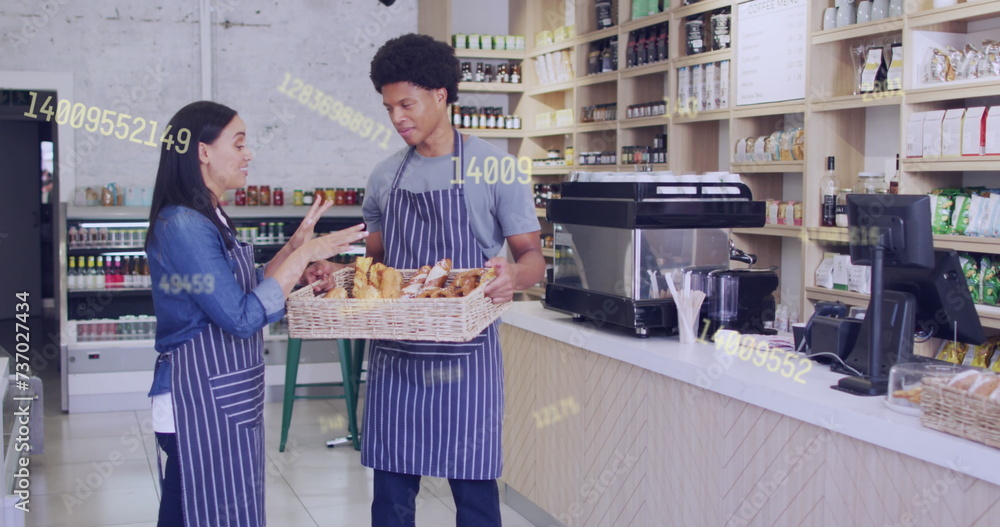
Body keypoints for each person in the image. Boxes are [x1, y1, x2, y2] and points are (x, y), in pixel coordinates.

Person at [307, 33, 545, 526]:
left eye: (406, 103)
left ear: (441, 94)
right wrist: (333, 274)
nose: (397, 118)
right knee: (391, 500)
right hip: (397, 356)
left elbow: (532, 260)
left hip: (468, 356)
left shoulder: (495, 168)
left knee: (475, 497)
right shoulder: (384, 177)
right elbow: (374, 269)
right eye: (388, 107)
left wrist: (511, 276)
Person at [145, 100, 367, 527]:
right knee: (202, 513)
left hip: (221, 398)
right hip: (196, 404)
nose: (249, 155)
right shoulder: (184, 225)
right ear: (203, 152)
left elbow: (239, 287)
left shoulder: (210, 216)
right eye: (240, 144)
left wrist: (292, 248)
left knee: (199, 512)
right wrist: (305, 255)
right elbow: (241, 316)